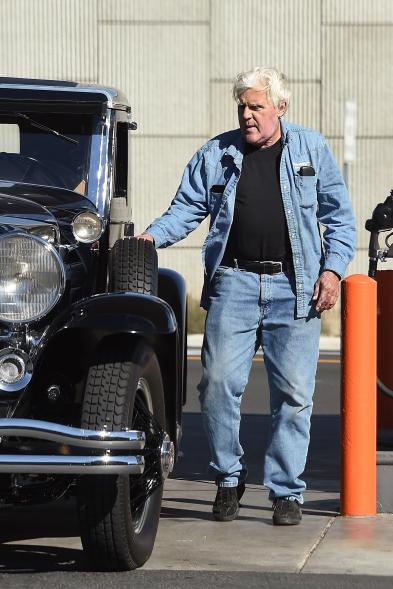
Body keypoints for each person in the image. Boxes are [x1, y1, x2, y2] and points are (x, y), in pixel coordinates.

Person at [138, 66, 356, 525]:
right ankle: (228, 478)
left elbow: (340, 219)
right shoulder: (217, 152)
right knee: (216, 385)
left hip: (295, 286)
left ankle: (285, 492)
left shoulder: (311, 148)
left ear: (280, 108)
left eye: (256, 106)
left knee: (294, 395)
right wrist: (151, 238)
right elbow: (187, 208)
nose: (247, 114)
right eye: (242, 106)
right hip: (234, 283)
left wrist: (333, 270)